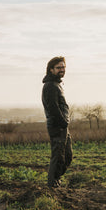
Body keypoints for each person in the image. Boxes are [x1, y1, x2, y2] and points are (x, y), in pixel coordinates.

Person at [42, 56, 73, 187]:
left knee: (67, 155)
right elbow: (53, 108)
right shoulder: (50, 86)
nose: (62, 70)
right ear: (51, 70)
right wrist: (63, 123)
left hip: (62, 126)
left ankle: (56, 180)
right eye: (59, 67)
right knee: (58, 156)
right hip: (57, 126)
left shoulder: (56, 84)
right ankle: (52, 185)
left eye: (63, 67)